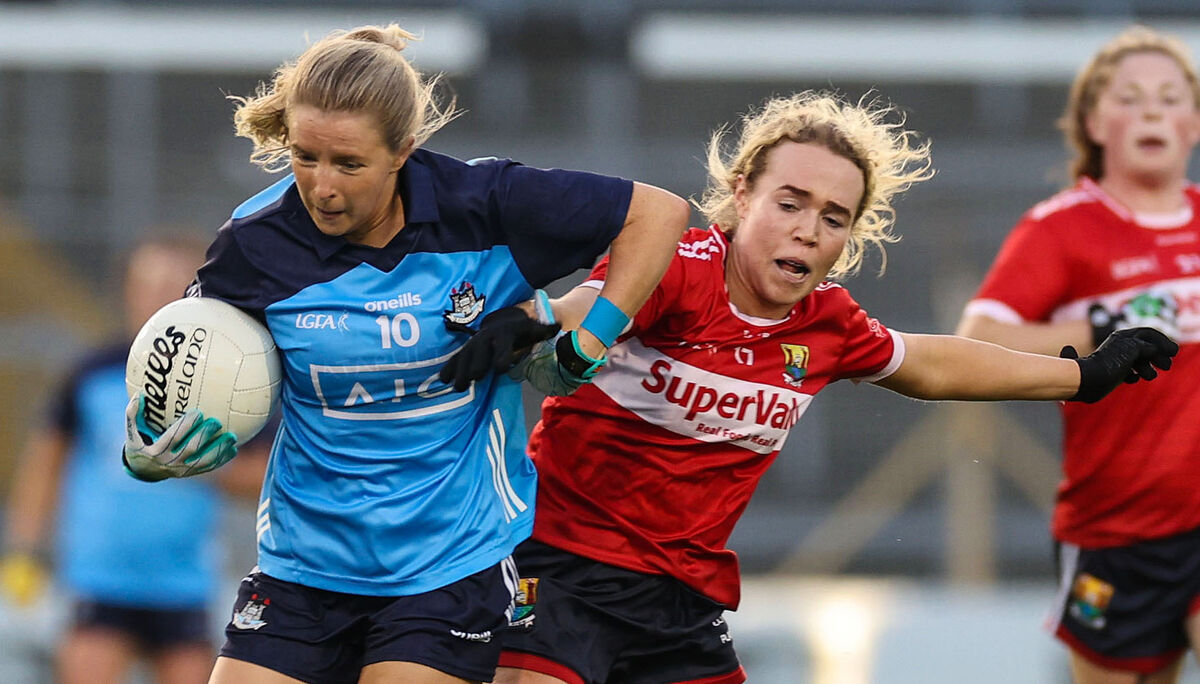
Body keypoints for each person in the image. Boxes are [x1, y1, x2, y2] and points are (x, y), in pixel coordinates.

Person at [438, 91, 1178, 684]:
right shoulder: (681, 269)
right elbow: (592, 307)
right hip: (561, 565)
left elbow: (932, 363)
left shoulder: (829, 322)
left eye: (833, 218)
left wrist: (1081, 375)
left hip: (680, 599)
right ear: (742, 196)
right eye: (788, 203)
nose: (807, 230)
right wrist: (541, 324)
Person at [117, 24, 689, 684]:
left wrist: (581, 348)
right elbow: (195, 356)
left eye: (349, 164)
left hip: (449, 566)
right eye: (305, 157)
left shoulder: (487, 206)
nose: (321, 186)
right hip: (303, 566)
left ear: (404, 153)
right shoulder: (255, 245)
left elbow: (657, 216)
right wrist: (148, 450)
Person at [957, 25, 1200, 684]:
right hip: (1116, 530)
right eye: (1130, 97)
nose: (1152, 110)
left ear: (1194, 122)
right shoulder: (1060, 228)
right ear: (1094, 121)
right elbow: (975, 341)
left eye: (1170, 96)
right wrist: (1103, 331)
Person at [1, 236, 268, 684]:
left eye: (174, 284)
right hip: (101, 581)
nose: (159, 295)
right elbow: (45, 464)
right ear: (128, 290)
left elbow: (261, 478)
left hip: (184, 583)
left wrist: (196, 464)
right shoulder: (91, 374)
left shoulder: (229, 386)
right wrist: (24, 549)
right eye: (149, 283)